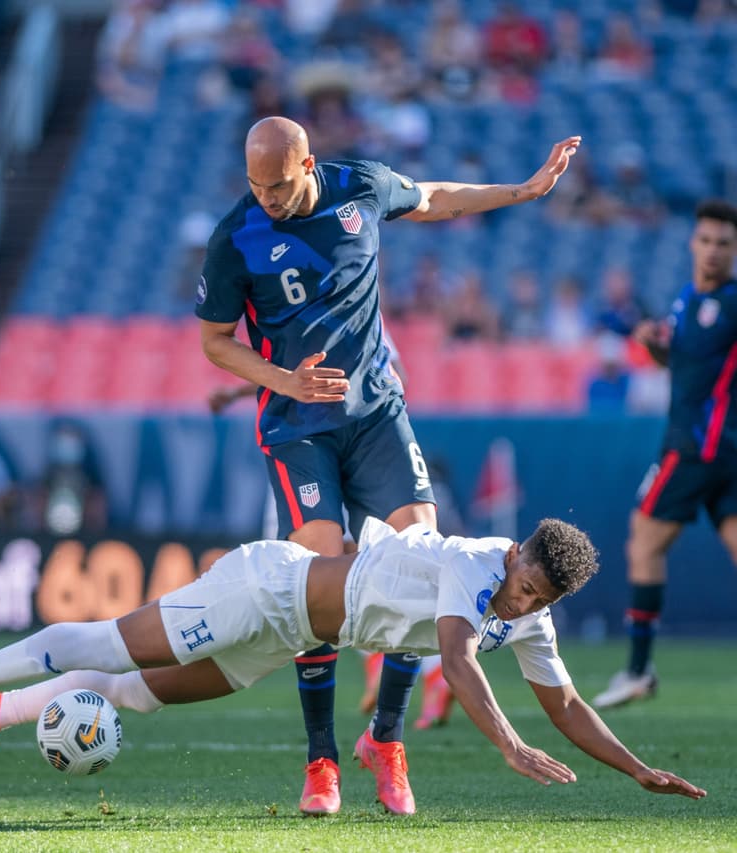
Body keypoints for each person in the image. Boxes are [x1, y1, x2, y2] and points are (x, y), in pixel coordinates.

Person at [195, 115, 582, 815]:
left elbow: (432, 197)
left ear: (308, 164)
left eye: (278, 186)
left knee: (422, 558)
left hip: (375, 414)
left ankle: (386, 738)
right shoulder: (235, 236)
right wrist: (283, 380)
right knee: (317, 573)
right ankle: (321, 761)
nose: (268, 201)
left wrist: (523, 191)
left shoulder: (362, 188)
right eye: (256, 187)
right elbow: (216, 342)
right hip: (296, 427)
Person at [0, 517, 706, 807]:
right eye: (525, 585)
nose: (524, 604)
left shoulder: (530, 617)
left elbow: (566, 707)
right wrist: (505, 742)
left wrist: (637, 770)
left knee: (136, 696)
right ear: (517, 550)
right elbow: (455, 657)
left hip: (294, 634)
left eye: (540, 600)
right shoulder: (476, 562)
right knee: (111, 640)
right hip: (265, 587)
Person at [594, 199, 737, 709]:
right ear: (692, 243)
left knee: (644, 542)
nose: (715, 250)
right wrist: (654, 343)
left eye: (725, 242)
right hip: (721, 450)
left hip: (696, 447)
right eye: (707, 240)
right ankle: (637, 670)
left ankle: (637, 669)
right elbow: (679, 359)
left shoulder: (731, 300)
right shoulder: (686, 299)